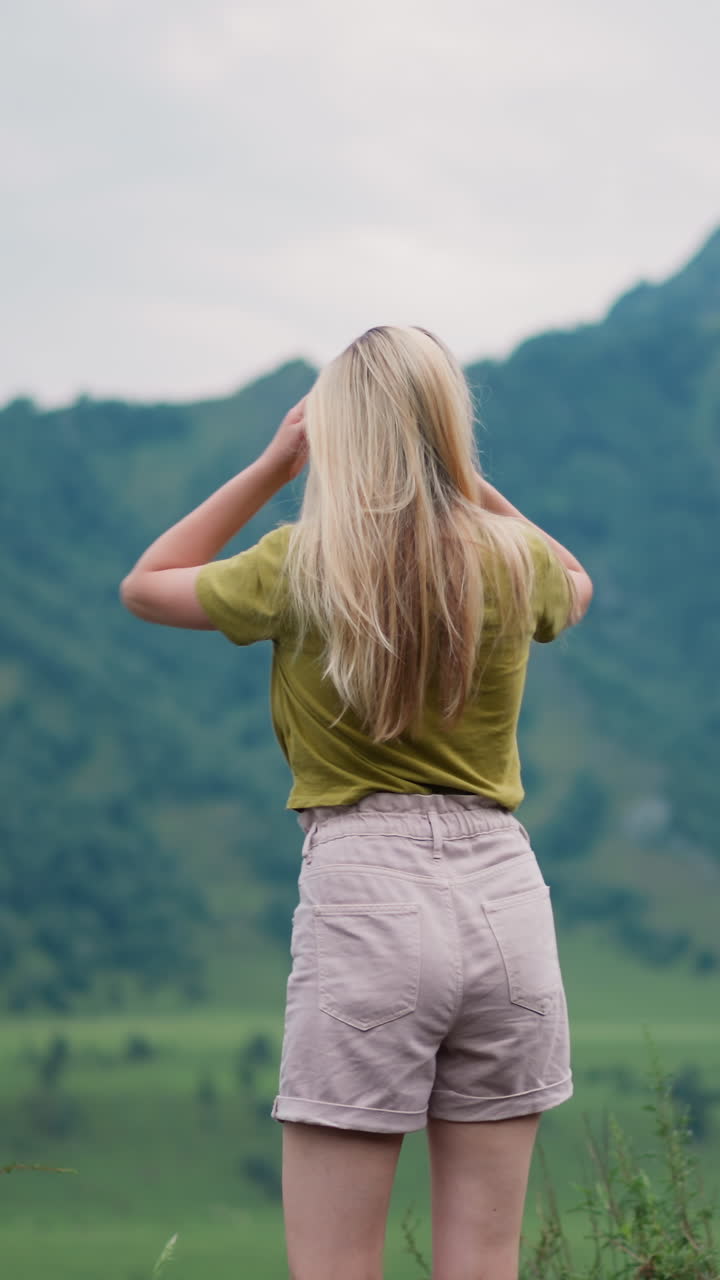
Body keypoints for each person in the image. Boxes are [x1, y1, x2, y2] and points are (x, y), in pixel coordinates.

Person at [121, 324, 593, 1280]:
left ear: (335, 434)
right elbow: (578, 580)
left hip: (367, 889)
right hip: (507, 896)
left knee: (335, 1264)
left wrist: (272, 464)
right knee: (486, 1261)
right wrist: (466, 487)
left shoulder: (299, 563)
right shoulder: (516, 561)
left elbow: (145, 586)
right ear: (447, 429)